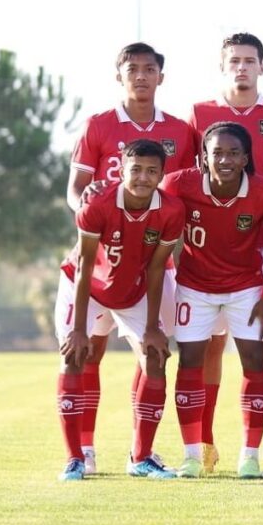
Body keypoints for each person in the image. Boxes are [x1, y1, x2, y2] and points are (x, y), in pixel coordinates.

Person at [66, 42, 197, 475]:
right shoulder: (98, 125)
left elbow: (195, 183)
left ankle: (141, 454)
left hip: (153, 257)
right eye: (132, 69)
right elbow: (76, 189)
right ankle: (82, 451)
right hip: (101, 255)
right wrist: (96, 217)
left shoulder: (181, 131)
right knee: (88, 351)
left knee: (155, 352)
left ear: (161, 76)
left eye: (149, 69)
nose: (140, 76)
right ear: (118, 75)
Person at [187, 32, 263, 471]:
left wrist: (258, 206)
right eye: (234, 60)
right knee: (209, 346)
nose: (241, 67)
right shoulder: (200, 113)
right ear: (223, 67)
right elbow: (185, 174)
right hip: (210, 250)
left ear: (261, 68)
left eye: (249, 60)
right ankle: (205, 441)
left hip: (259, 249)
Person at [55, 139, 184, 481]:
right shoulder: (97, 201)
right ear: (121, 169)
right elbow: (84, 265)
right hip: (85, 285)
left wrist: (154, 326)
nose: (143, 177)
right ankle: (75, 459)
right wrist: (79, 329)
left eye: (152, 170)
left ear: (161, 174)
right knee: (73, 356)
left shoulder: (171, 210)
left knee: (156, 357)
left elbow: (157, 268)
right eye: (136, 169)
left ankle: (141, 458)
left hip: (134, 290)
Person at [161, 122, 263, 478]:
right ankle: (192, 454)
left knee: (255, 363)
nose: (225, 159)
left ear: (246, 158)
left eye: (233, 153)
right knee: (190, 363)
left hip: (246, 286)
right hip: (194, 287)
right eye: (217, 152)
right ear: (204, 156)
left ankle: (249, 455)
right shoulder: (179, 184)